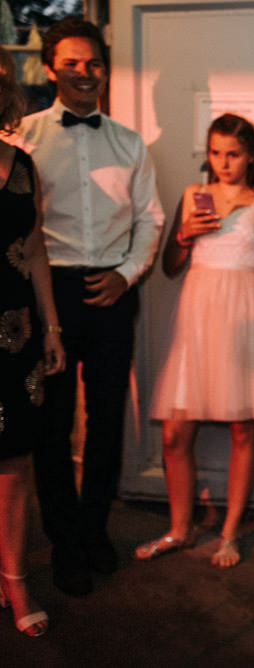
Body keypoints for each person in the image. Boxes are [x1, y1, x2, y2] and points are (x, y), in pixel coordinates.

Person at [16, 17, 165, 596]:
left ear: (105, 69)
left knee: (106, 421)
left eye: (93, 63)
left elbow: (151, 218)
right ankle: (64, 544)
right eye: (72, 63)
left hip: (108, 297)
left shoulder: (129, 143)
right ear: (51, 68)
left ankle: (95, 531)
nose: (84, 73)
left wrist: (126, 277)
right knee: (51, 427)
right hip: (45, 296)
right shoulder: (22, 137)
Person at [134, 113, 254, 568]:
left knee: (243, 427)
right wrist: (185, 234)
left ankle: (229, 533)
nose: (223, 163)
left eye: (233, 154)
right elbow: (169, 265)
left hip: (246, 314)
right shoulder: (195, 195)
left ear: (248, 156)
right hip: (198, 312)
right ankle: (179, 529)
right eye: (215, 153)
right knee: (174, 434)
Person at [0, 43, 65, 638]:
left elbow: (37, 248)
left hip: (15, 332)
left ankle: (15, 579)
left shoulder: (22, 164)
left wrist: (49, 326)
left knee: (16, 460)